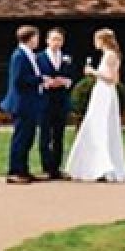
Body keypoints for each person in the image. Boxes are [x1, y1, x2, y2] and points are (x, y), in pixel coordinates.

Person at [67, 28, 125, 182]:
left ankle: (104, 167)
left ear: (102, 41)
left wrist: (93, 72)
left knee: (101, 127)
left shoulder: (110, 55)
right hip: (102, 92)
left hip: (105, 92)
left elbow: (112, 78)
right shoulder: (109, 55)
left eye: (96, 40)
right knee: (95, 127)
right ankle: (95, 166)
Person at [0, 26, 45, 185]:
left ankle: (24, 170)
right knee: (20, 138)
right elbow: (19, 80)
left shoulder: (29, 55)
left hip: (30, 103)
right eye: (36, 37)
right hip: (22, 103)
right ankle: (14, 171)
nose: (38, 40)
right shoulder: (19, 55)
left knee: (28, 138)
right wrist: (40, 79)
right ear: (30, 38)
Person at [35, 28, 78, 181]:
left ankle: (56, 168)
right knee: (45, 135)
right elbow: (36, 76)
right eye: (53, 39)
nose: (56, 42)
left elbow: (72, 75)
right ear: (47, 41)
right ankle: (46, 167)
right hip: (44, 101)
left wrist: (64, 81)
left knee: (59, 135)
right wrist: (47, 83)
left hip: (61, 101)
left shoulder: (67, 58)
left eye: (59, 39)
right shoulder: (38, 58)